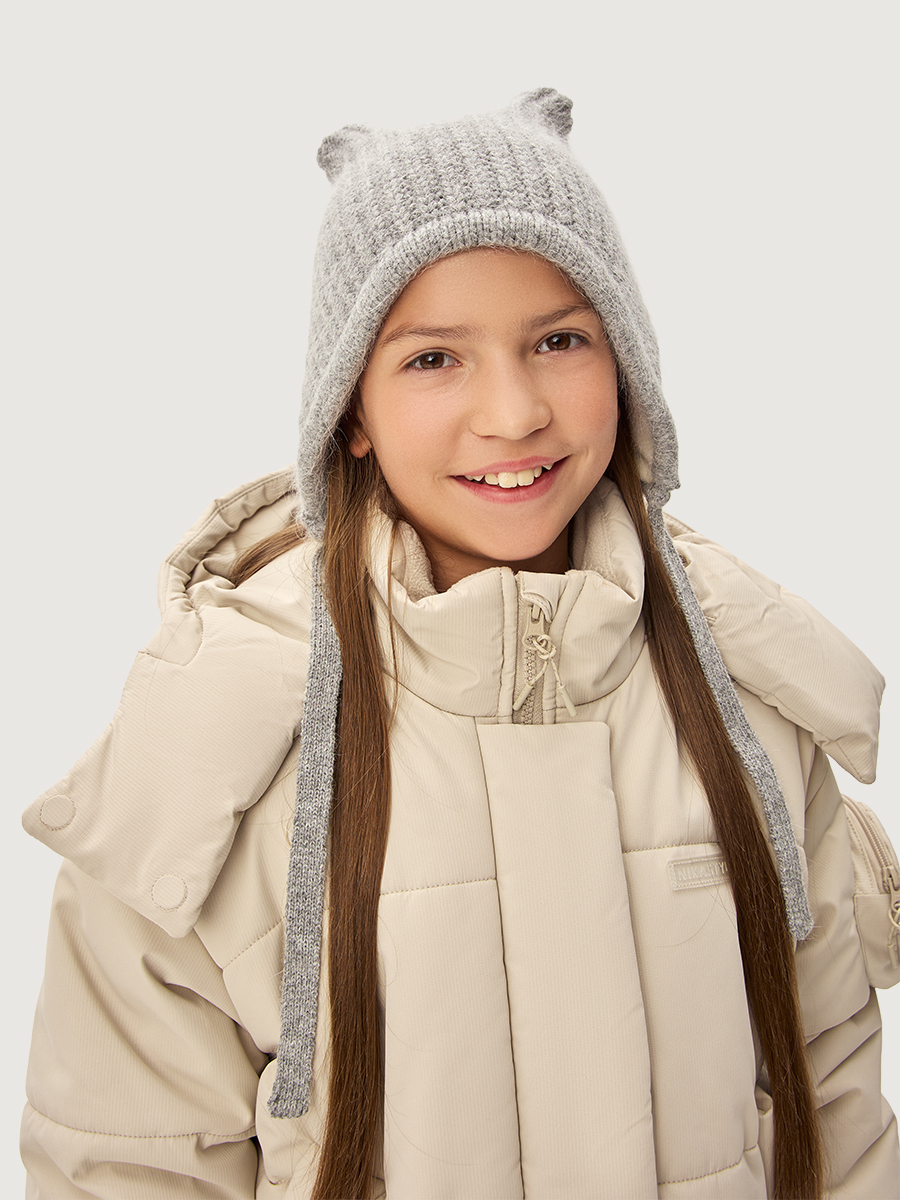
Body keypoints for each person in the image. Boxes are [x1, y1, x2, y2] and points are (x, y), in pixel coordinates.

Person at [20, 89, 900, 1200]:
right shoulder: (214, 749)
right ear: (350, 408)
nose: (515, 411)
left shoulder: (748, 701)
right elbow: (124, 1161)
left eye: (560, 340)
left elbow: (837, 1108)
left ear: (625, 365)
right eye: (435, 358)